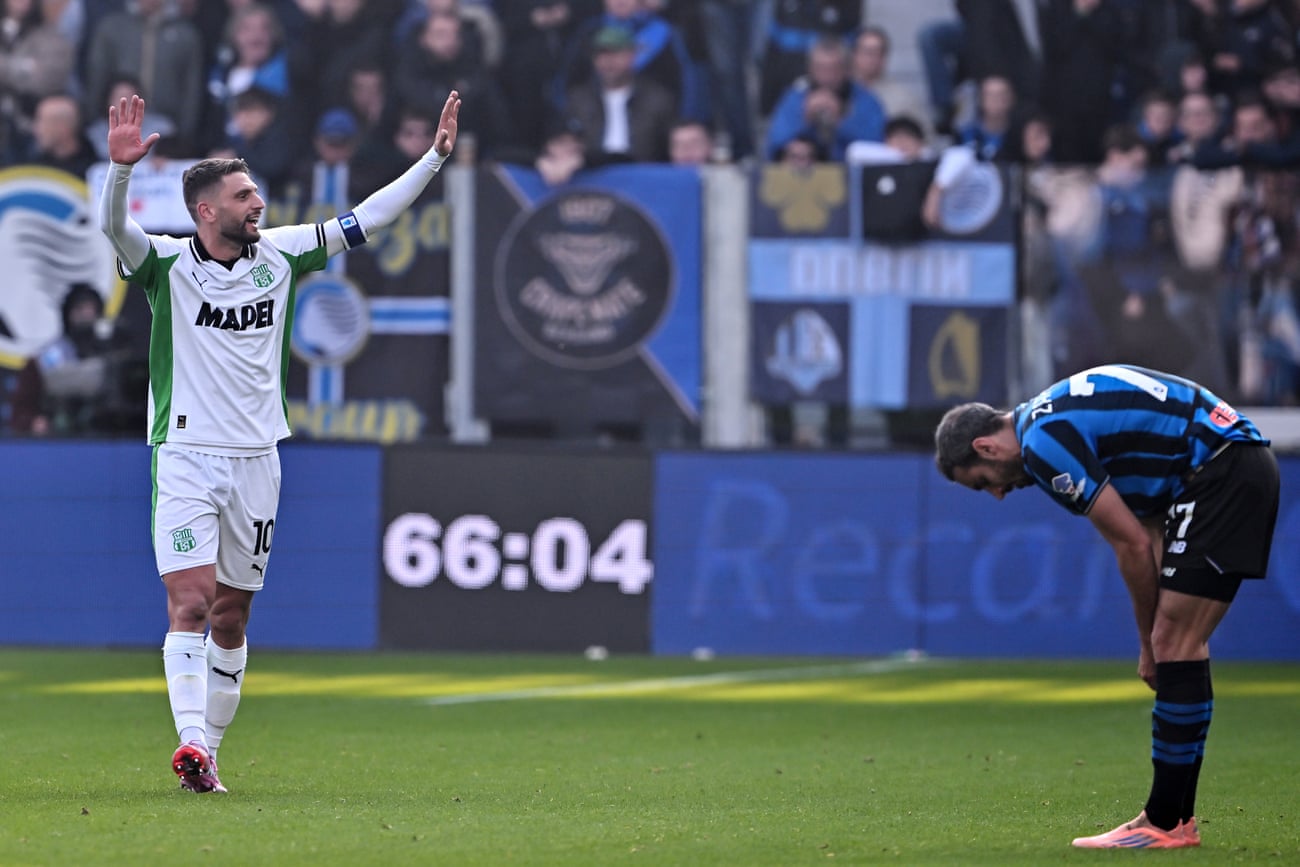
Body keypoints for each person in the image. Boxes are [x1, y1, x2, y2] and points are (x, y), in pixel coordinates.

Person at [98, 89, 460, 794]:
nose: (257, 203)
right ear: (206, 211)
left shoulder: (283, 255)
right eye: (242, 196)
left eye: (255, 191)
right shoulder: (165, 265)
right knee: (191, 603)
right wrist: (121, 171)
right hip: (185, 455)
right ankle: (191, 740)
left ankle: (210, 756)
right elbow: (115, 228)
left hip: (258, 459)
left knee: (231, 616)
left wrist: (434, 160)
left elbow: (368, 219)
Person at [934, 363, 1280, 849]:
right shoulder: (1056, 416)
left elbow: (1131, 545)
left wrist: (1147, 643)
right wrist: (1157, 637)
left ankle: (1163, 822)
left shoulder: (1042, 445)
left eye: (981, 481)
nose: (996, 493)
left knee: (1173, 642)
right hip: (1229, 463)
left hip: (1221, 473)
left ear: (985, 447)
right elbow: (1153, 528)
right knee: (1181, 644)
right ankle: (1175, 820)